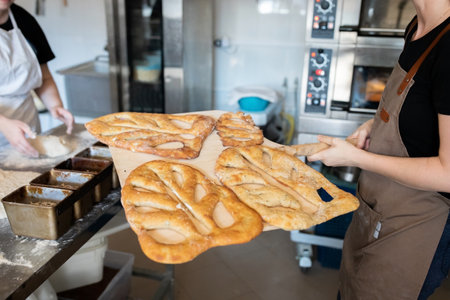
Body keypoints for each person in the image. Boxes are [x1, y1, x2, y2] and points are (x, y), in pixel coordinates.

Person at [308, 0, 450, 299]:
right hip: (377, 205)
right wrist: (374, 126)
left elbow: (447, 174)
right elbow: (416, 110)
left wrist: (356, 158)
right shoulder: (417, 25)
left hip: (418, 221)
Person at [0, 1, 74, 157]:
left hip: (28, 127)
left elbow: (44, 76)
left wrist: (55, 105)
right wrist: (4, 125)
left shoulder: (22, 18)